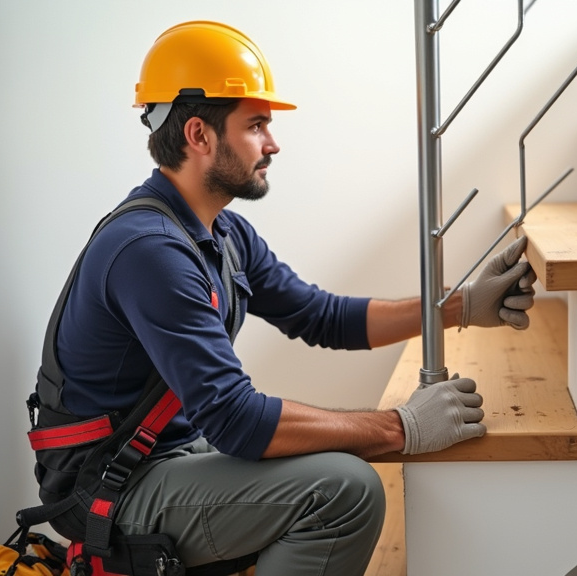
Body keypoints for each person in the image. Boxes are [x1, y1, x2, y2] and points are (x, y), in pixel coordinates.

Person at [38, 20, 536, 575]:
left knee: (328, 453)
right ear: (199, 135)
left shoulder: (222, 232)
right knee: (344, 491)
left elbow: (323, 317)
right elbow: (235, 418)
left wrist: (460, 307)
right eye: (256, 125)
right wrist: (402, 426)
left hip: (169, 452)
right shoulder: (150, 251)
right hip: (113, 484)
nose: (272, 144)